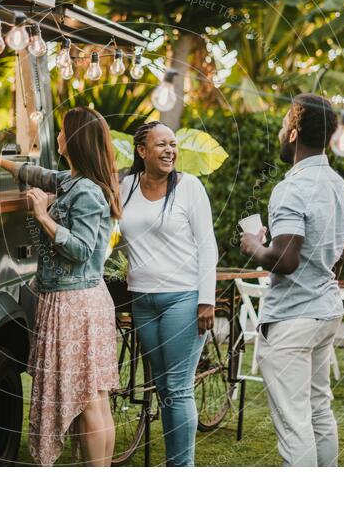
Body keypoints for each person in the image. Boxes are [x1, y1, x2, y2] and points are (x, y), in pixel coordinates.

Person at [0, 107, 121, 466]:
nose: (57, 136)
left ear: (74, 140)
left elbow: (82, 249)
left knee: (88, 400)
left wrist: (42, 217)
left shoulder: (86, 191)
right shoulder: (74, 180)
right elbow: (39, 175)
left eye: (61, 132)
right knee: (94, 398)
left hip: (76, 302)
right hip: (79, 300)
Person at [241, 93, 344, 467]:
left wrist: (254, 246)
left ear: (293, 133)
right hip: (325, 312)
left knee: (294, 426)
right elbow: (339, 259)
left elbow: (286, 260)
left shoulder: (291, 188)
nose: (279, 132)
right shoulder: (341, 188)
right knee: (319, 410)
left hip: (292, 319)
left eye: (282, 125)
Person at [118, 121, 218, 466]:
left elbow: (208, 246)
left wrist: (207, 300)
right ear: (141, 151)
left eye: (172, 144)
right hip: (142, 300)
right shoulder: (125, 186)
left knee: (177, 388)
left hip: (183, 299)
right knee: (163, 390)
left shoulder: (189, 188)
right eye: (160, 144)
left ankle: (180, 468)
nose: (169, 150)